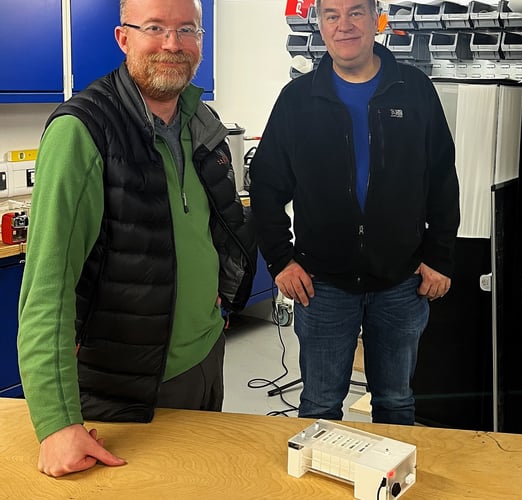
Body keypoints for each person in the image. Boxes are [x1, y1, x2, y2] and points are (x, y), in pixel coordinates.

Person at [17, 0, 256, 477]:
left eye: (187, 29)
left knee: (206, 483)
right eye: (155, 28)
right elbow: (47, 289)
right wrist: (57, 422)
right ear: (123, 38)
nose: (172, 44)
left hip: (206, 357)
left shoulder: (199, 118)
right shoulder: (82, 131)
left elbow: (210, 226)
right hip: (131, 382)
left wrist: (218, 300)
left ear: (201, 44)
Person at [249, 0, 460, 425]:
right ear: (321, 25)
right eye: (332, 15)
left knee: (396, 403)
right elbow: (265, 186)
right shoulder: (297, 100)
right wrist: (280, 260)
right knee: (320, 407)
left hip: (401, 281)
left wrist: (439, 256)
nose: (344, 25)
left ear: (376, 17)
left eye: (356, 13)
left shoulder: (414, 90)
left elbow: (441, 180)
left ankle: (391, 489)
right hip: (322, 284)